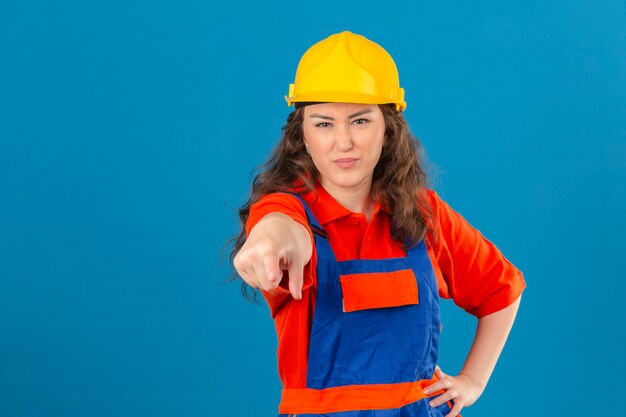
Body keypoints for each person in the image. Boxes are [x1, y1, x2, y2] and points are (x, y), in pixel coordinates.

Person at [230, 31, 526, 417]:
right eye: (323, 124)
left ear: (387, 129)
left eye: (360, 120)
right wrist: (267, 244)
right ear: (301, 135)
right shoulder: (289, 210)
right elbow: (279, 229)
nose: (343, 142)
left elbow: (501, 289)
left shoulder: (424, 215)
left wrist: (473, 381)